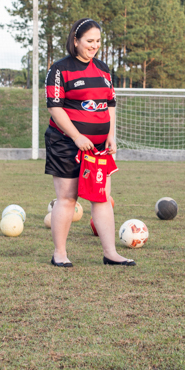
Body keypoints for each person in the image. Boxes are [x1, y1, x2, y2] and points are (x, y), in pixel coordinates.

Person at [44, 18, 135, 268]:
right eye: (89, 41)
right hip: (65, 144)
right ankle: (60, 254)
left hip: (98, 149)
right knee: (67, 198)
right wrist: (76, 136)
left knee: (102, 197)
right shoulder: (59, 69)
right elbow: (55, 108)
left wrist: (110, 135)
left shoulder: (103, 70)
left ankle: (111, 253)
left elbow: (110, 104)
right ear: (75, 41)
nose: (94, 46)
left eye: (98, 41)